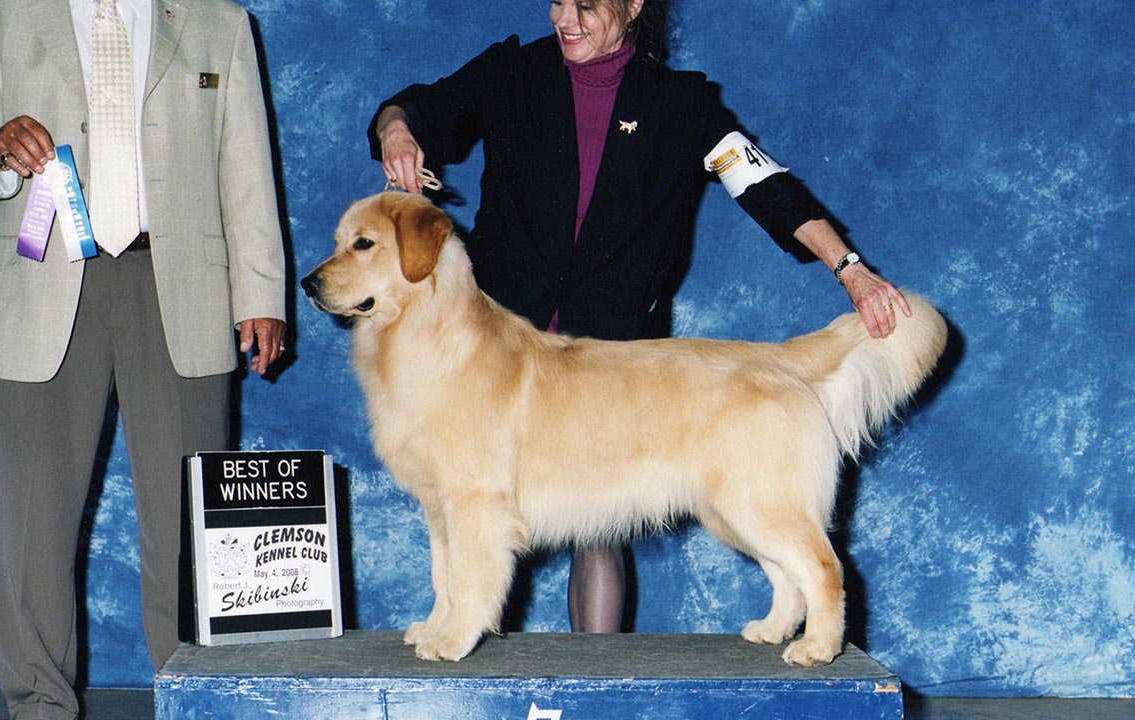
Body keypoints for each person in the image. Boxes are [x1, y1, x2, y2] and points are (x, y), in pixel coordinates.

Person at [369, 0, 910, 634]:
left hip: (614, 350)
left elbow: (763, 186)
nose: (566, 18)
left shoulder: (680, 103)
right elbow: (415, 108)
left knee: (598, 531)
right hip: (498, 346)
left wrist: (850, 269)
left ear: (633, 6)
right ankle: (458, 623)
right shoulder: (512, 72)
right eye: (559, 1)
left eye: (587, 5)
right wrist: (397, 131)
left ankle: (599, 676)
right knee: (463, 495)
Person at [0, 0, 287, 717]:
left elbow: (247, 164)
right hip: (44, 277)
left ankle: (198, 699)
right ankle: (39, 704)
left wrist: (261, 292)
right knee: (33, 527)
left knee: (190, 526)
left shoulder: (220, 23)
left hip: (181, 286)